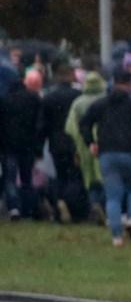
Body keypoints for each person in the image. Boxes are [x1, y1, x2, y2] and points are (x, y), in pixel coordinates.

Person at [79, 69, 131, 246]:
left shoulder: (102, 103)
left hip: (107, 153)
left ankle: (116, 236)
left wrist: (90, 142)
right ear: (130, 84)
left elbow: (84, 122)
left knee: (113, 195)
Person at [41, 64, 83, 222]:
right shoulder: (78, 95)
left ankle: (59, 203)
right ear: (71, 75)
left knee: (59, 175)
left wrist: (39, 147)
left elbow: (43, 124)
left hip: (56, 142)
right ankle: (75, 208)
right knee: (75, 176)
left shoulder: (49, 97)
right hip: (74, 142)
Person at [1, 69, 45, 220]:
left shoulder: (5, 100)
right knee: (27, 179)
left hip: (9, 147)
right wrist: (38, 147)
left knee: (10, 179)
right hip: (28, 146)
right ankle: (28, 209)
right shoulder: (33, 99)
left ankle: (14, 208)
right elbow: (39, 125)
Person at [66, 70, 107, 222]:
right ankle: (102, 204)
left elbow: (71, 127)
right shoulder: (105, 100)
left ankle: (94, 204)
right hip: (104, 142)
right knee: (104, 175)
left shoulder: (78, 103)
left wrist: (77, 146)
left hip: (84, 144)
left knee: (89, 177)